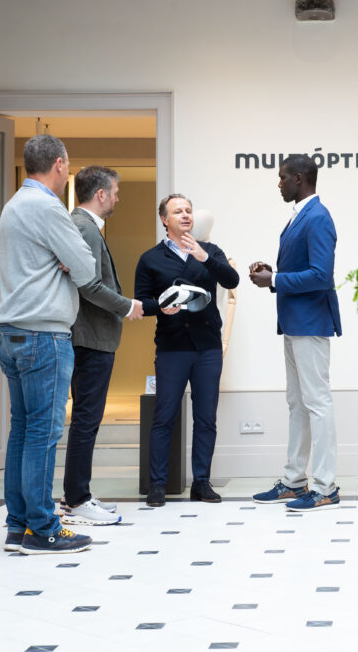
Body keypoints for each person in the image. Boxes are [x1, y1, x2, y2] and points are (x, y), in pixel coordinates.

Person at [0, 134, 96, 554]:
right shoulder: (48, 207)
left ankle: (17, 525)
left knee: (22, 429)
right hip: (42, 335)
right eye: (67, 166)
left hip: (9, 332)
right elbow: (87, 268)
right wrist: (67, 262)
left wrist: (62, 260)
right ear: (58, 164)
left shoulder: (14, 204)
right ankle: (43, 527)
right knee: (43, 432)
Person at [250, 154, 342, 512]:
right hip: (293, 323)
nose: (279, 183)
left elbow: (321, 275)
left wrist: (273, 280)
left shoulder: (318, 217)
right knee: (298, 404)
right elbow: (303, 269)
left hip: (310, 323)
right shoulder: (301, 215)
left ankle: (325, 487)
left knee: (317, 403)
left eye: (282, 177)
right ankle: (293, 481)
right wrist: (272, 272)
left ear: (300, 178)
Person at [134, 194, 240, 507]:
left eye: (188, 211)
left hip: (207, 347)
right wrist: (161, 307)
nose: (185, 215)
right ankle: (157, 485)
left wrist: (205, 257)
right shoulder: (150, 259)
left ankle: (202, 483)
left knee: (206, 417)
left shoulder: (211, 251)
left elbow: (232, 279)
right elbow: (141, 303)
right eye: (177, 211)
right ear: (164, 219)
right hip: (172, 348)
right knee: (164, 416)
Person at [60, 166, 144, 525]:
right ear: (100, 194)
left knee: (86, 418)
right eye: (115, 192)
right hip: (90, 339)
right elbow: (89, 285)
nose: (117, 198)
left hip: (90, 338)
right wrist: (128, 306)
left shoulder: (82, 226)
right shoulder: (84, 227)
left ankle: (78, 495)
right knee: (86, 419)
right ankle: (78, 499)